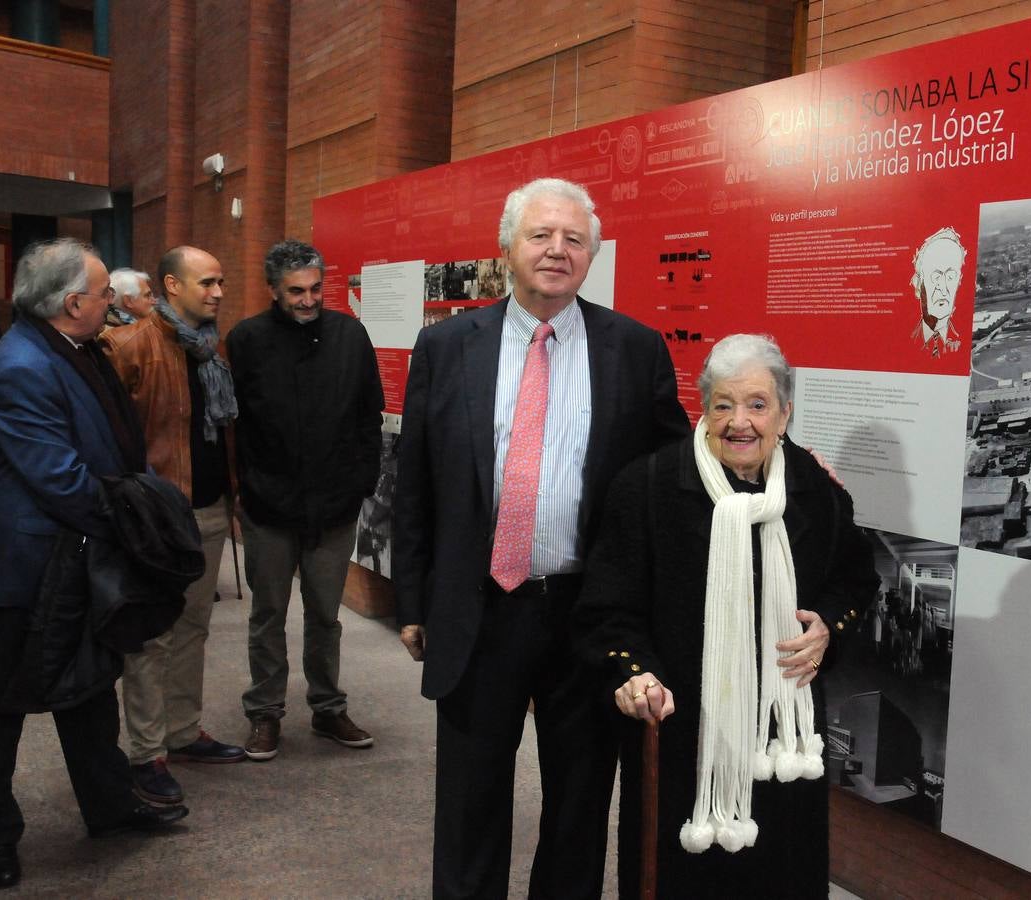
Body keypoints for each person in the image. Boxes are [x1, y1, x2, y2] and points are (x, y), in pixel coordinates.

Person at [392, 177, 690, 899]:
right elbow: (415, 482)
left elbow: (678, 467)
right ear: (506, 249)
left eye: (573, 239)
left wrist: (781, 462)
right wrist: (411, 598)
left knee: (580, 803)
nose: (557, 250)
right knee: (471, 798)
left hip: (589, 614)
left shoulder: (635, 349)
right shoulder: (445, 347)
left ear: (591, 255)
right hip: (480, 607)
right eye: (540, 236)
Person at [574, 333, 880, 900]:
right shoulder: (646, 487)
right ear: (704, 408)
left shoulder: (814, 489)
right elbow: (606, 611)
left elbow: (857, 581)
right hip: (684, 725)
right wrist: (631, 672)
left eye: (758, 405)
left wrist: (827, 632)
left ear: (785, 413)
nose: (740, 422)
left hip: (781, 738)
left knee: (781, 875)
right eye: (724, 404)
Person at [0, 239, 188, 891]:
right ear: (71, 304)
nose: (111, 302)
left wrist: (137, 495)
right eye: (101, 293)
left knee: (89, 694)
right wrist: (140, 521)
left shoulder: (78, 350)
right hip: (19, 568)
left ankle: (110, 807)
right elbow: (59, 479)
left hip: (76, 560)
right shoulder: (19, 366)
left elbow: (117, 446)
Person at [227, 239, 384, 760]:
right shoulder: (246, 339)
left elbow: (369, 414)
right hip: (269, 506)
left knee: (325, 614)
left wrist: (361, 481)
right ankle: (265, 713)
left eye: (315, 288)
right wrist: (246, 487)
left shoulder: (350, 335)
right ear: (274, 289)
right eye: (295, 291)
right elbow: (235, 423)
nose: (307, 299)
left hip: (334, 506)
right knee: (268, 613)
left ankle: (328, 708)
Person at [102, 245, 245, 807]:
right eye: (207, 282)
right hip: (159, 519)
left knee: (193, 628)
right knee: (151, 636)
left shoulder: (211, 350)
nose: (217, 292)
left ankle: (183, 733)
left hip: (209, 510)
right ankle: (146, 752)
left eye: (221, 282)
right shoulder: (131, 346)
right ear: (171, 285)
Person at [909, 227, 966, 357]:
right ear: (918, 285)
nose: (943, 288)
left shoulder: (963, 338)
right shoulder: (904, 337)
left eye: (951, 277)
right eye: (936, 277)